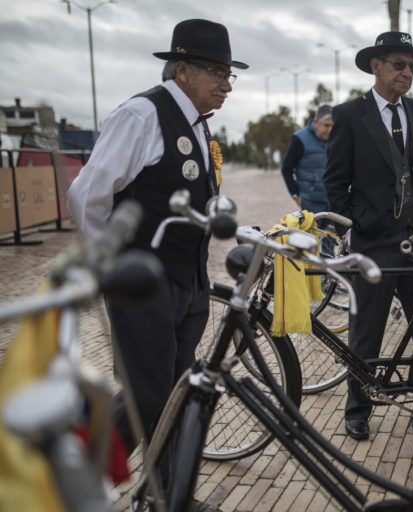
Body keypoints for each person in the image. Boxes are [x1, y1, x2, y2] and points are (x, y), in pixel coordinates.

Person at [66, 19, 246, 500]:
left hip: (188, 281)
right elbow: (87, 195)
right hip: (143, 283)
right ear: (182, 69)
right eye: (217, 73)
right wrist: (109, 264)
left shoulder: (197, 124)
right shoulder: (142, 115)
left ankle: (85, 472)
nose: (226, 85)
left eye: (231, 75)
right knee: (153, 397)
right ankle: (163, 495)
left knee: (170, 393)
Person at [323, 31, 413, 440]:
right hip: (374, 243)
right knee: (366, 333)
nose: (407, 72)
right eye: (399, 64)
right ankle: (357, 409)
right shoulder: (348, 115)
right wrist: (358, 223)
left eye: (412, 66)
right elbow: (335, 184)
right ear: (376, 66)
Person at [281, 104, 333, 213]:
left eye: (333, 126)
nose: (330, 129)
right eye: (326, 125)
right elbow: (286, 168)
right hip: (310, 202)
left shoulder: (336, 138)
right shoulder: (300, 139)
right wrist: (296, 196)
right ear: (316, 122)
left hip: (332, 201)